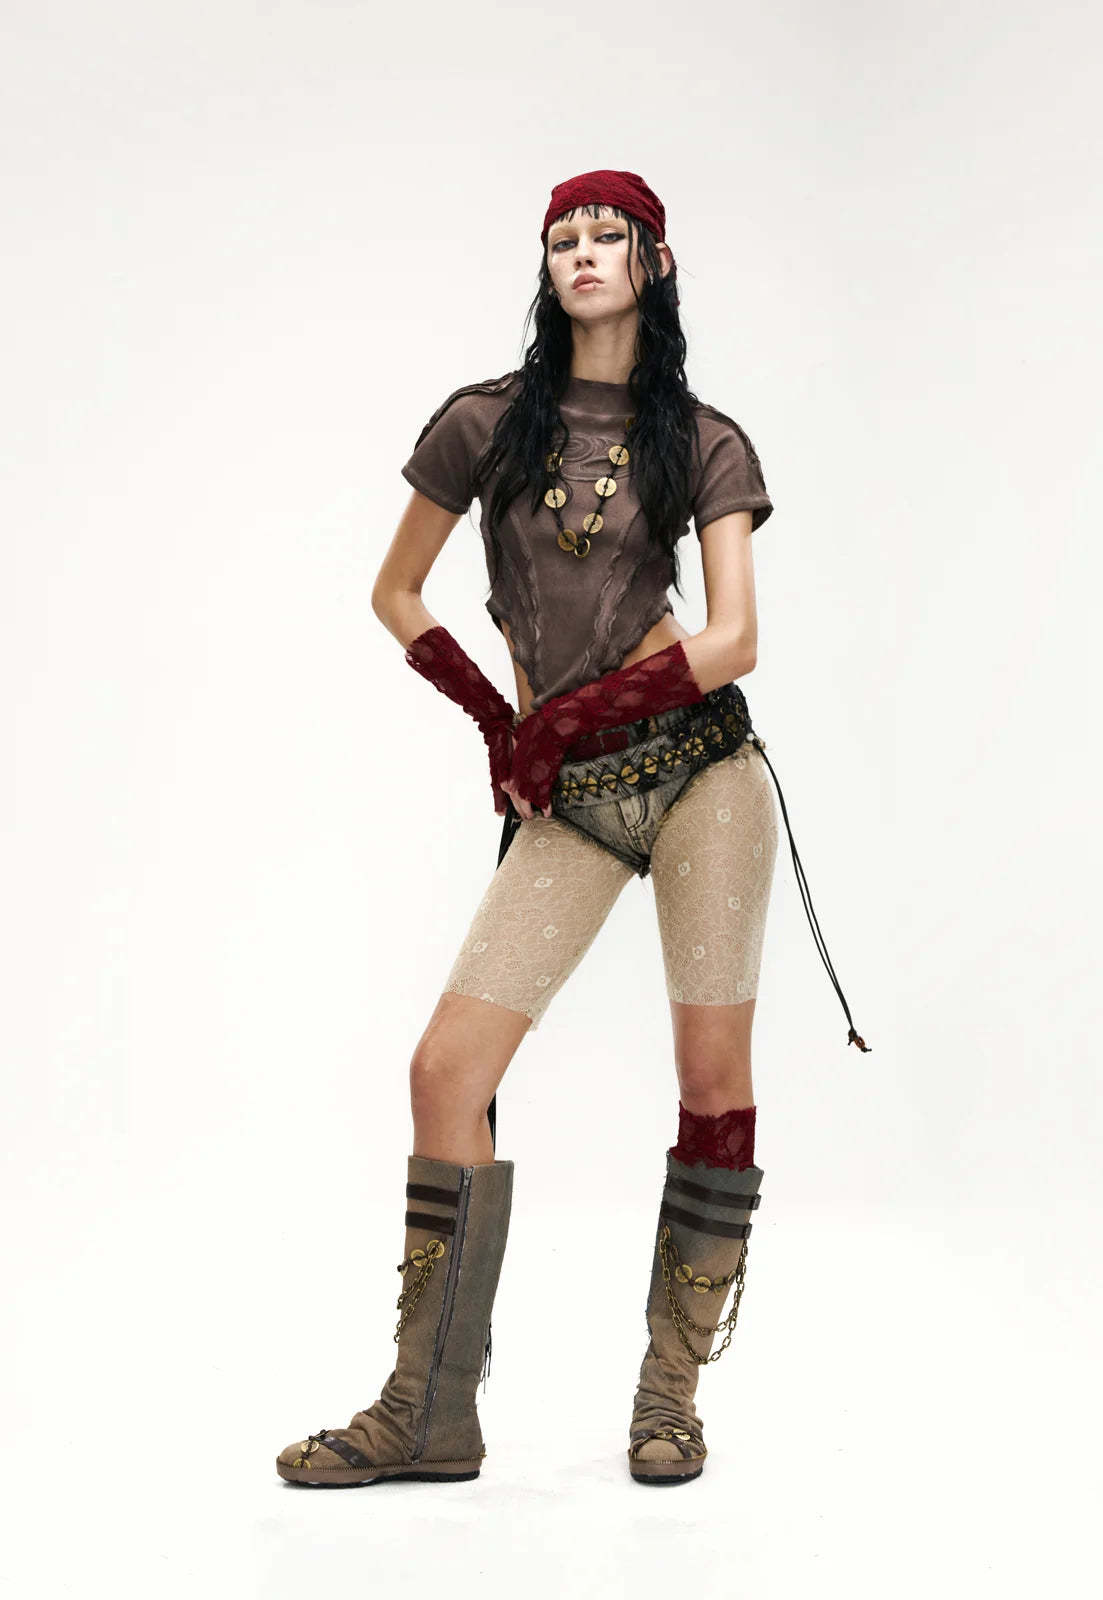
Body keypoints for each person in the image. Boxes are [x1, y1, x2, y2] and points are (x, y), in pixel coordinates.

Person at [275, 169, 869, 1491]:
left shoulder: (705, 440)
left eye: (610, 235)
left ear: (657, 263)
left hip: (705, 773)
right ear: (544, 268)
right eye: (563, 238)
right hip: (574, 796)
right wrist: (504, 724)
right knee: (447, 1071)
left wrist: (572, 716)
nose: (584, 253)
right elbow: (396, 591)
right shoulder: (484, 423)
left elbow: (735, 640)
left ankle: (670, 1399)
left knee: (711, 1081)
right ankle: (429, 1411)